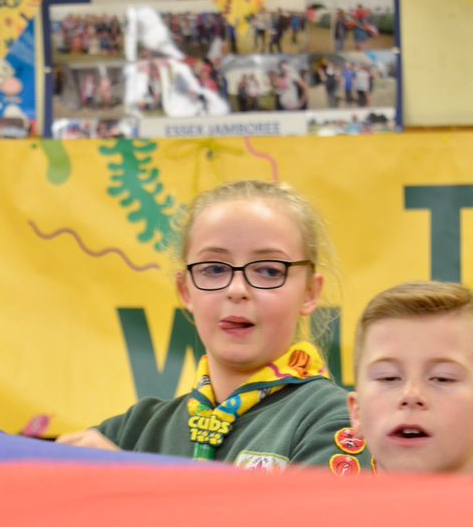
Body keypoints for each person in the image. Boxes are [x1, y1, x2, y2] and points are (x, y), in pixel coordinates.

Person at [57, 180, 372, 474]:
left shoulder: (335, 422)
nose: (237, 289)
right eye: (214, 269)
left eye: (268, 270)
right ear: (185, 291)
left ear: (310, 292)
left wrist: (130, 489)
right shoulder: (135, 430)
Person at [347, 281, 473, 475]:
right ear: (356, 412)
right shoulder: (317, 506)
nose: (411, 395)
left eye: (442, 378)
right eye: (388, 378)